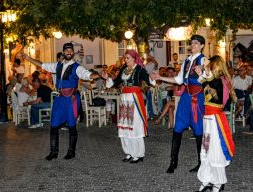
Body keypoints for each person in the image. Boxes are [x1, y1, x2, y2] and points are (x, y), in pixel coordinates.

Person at [22, 42, 100, 160]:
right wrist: (28, 58)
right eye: (66, 50)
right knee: (53, 125)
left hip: (70, 100)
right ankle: (54, 152)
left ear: (73, 52)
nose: (68, 52)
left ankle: (71, 151)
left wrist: (97, 75)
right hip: (59, 99)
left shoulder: (77, 67)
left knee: (72, 126)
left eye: (70, 50)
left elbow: (88, 75)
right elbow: (42, 64)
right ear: (63, 52)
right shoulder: (57, 65)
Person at [155, 34, 207, 173]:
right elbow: (178, 80)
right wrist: (160, 77)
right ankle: (173, 161)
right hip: (185, 98)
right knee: (177, 128)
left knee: (198, 129)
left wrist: (203, 71)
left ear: (202, 45)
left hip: (197, 98)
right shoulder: (186, 61)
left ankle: (201, 163)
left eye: (196, 43)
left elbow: (209, 75)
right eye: (192, 43)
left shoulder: (204, 60)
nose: (193, 45)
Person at [101, 49, 156, 163]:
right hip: (124, 99)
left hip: (134, 99)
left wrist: (153, 76)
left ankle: (138, 154)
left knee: (135, 125)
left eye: (128, 58)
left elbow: (149, 80)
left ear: (134, 59)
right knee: (124, 125)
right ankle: (129, 153)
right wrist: (107, 78)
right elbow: (115, 83)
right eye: (125, 58)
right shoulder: (123, 69)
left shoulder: (140, 69)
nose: (125, 60)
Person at [195, 55, 236, 192]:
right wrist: (202, 73)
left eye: (210, 66)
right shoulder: (212, 80)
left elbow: (212, 83)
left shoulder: (221, 81)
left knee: (216, 150)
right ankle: (207, 179)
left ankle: (218, 182)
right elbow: (205, 82)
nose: (208, 68)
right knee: (206, 149)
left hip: (215, 120)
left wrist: (205, 71)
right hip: (208, 119)